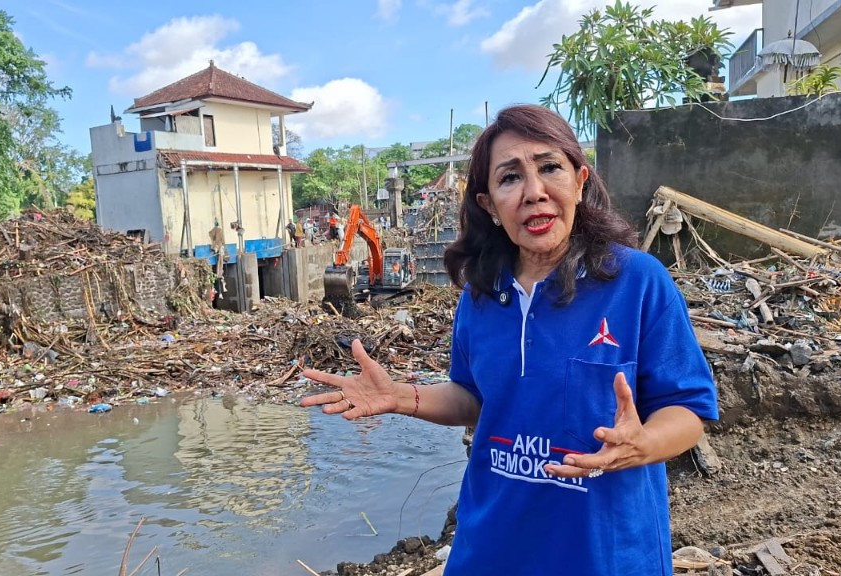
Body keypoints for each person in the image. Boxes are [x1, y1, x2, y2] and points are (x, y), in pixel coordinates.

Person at [300, 104, 718, 575]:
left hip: (606, 552)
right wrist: (402, 396)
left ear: (580, 181)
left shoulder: (638, 282)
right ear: (489, 205)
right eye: (510, 178)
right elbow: (473, 396)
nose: (534, 192)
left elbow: (689, 409)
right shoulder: (481, 293)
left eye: (549, 168)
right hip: (492, 548)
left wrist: (642, 444)